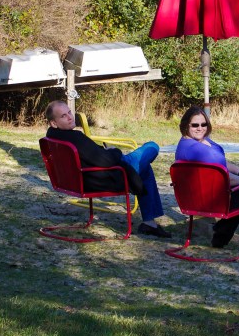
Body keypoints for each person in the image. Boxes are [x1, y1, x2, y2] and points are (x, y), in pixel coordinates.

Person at [44, 100, 171, 238]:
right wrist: (115, 151)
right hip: (108, 176)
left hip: (86, 178)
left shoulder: (52, 137)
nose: (70, 117)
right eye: (63, 116)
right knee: (151, 147)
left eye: (69, 112)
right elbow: (105, 161)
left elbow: (92, 155)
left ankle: (149, 223)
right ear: (54, 123)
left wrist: (105, 152)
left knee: (144, 168)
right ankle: (149, 222)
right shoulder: (74, 137)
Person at [174, 106, 239, 248]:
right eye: (195, 125)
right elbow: (220, 177)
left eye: (203, 124)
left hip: (201, 196)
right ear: (186, 125)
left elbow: (222, 162)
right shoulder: (198, 150)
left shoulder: (195, 142)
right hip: (210, 200)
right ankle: (221, 231)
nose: (200, 128)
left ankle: (220, 230)